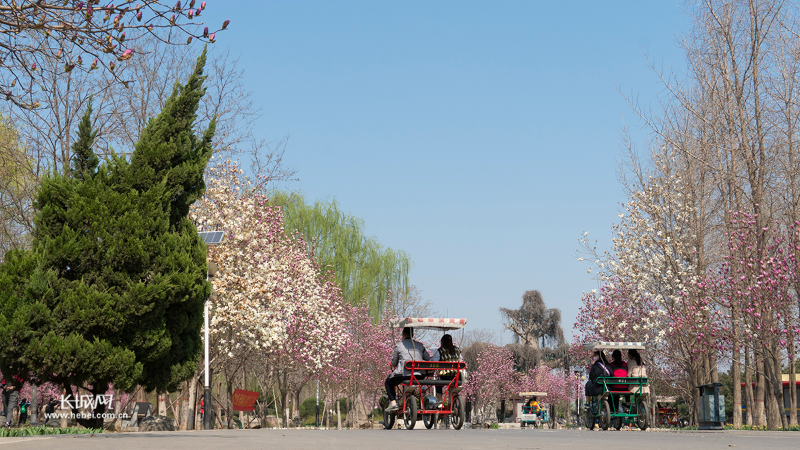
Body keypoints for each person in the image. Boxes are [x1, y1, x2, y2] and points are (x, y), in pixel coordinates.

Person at [384, 327, 430, 413]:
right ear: (413, 334)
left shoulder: (399, 346)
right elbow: (427, 358)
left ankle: (393, 403)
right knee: (412, 381)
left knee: (388, 382)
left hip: (404, 375)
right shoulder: (420, 345)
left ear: (403, 334)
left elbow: (394, 362)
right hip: (419, 375)